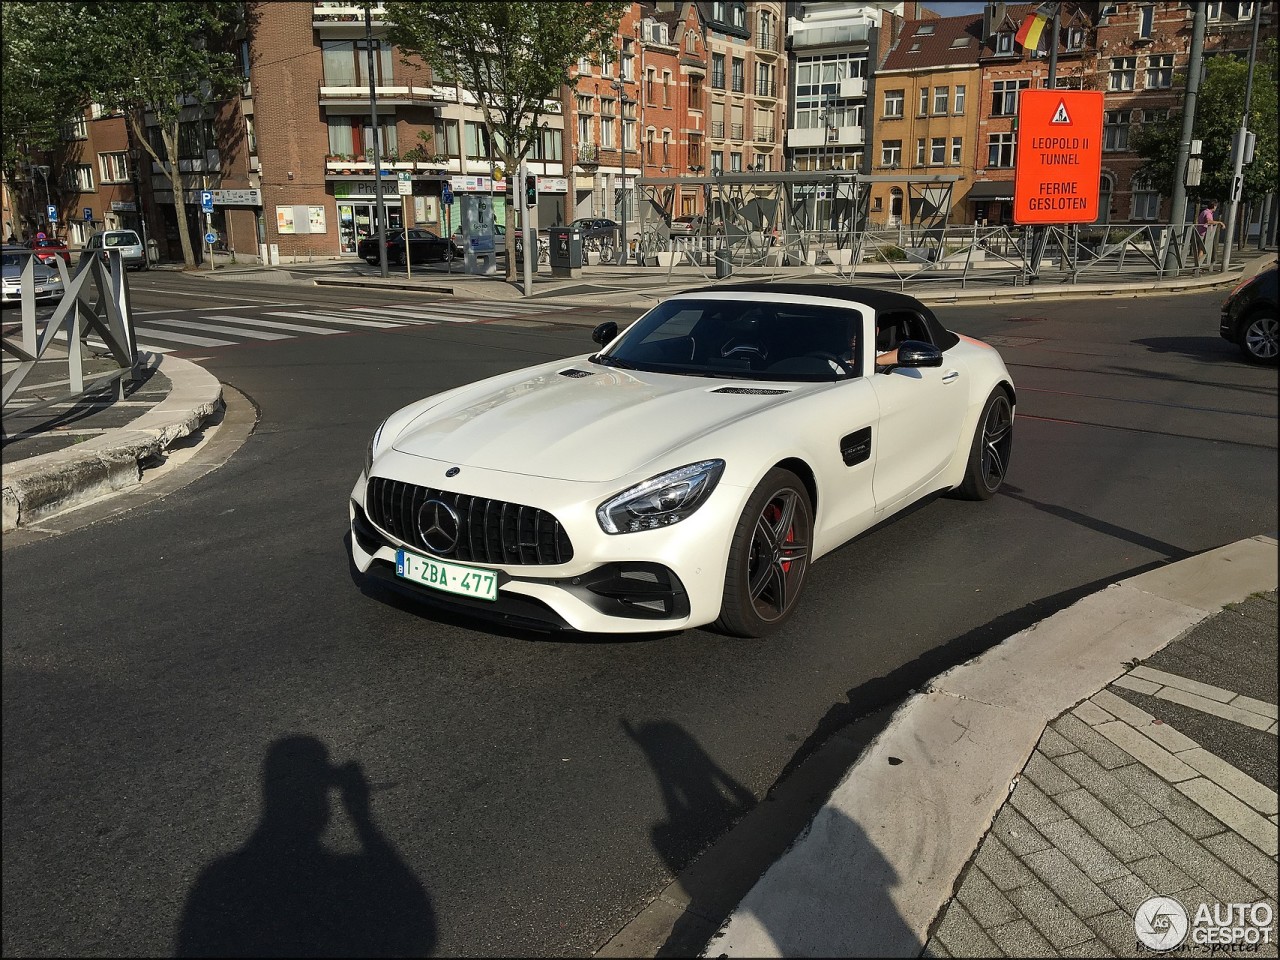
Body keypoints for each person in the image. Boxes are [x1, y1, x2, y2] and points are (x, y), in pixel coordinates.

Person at [1196, 201, 1224, 266]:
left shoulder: (1204, 212)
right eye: (1216, 206)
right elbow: (1209, 221)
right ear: (1213, 206)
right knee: (1202, 250)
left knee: (1201, 250)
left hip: (1201, 232)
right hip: (1204, 233)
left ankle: (1197, 265)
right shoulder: (1208, 213)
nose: (1216, 208)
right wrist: (1219, 222)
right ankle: (1197, 266)